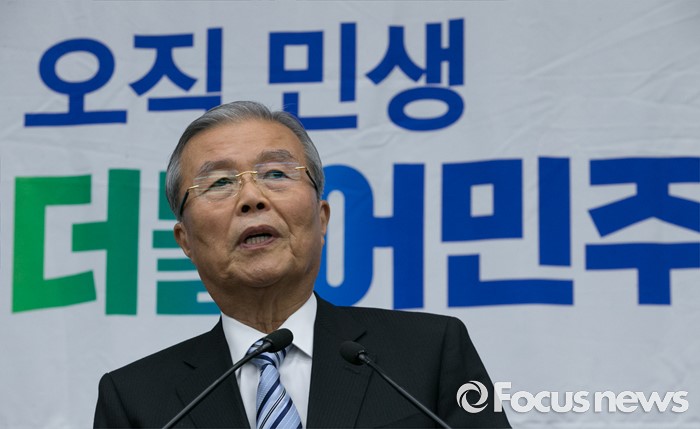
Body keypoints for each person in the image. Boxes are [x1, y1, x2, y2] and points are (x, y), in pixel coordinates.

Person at [93, 101, 510, 428]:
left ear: (321, 217)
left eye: (276, 173)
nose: (251, 198)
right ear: (185, 239)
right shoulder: (135, 399)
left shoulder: (429, 353)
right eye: (219, 182)